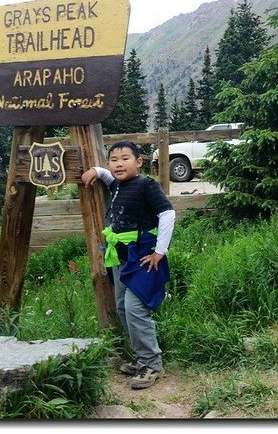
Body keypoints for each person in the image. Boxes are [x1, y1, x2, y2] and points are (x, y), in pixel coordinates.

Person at [81, 140, 175, 390]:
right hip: (121, 257)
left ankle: (153, 364)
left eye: (125, 158)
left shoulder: (146, 185)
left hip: (143, 255)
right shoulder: (118, 186)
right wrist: (96, 170)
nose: (119, 164)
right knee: (123, 307)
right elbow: (107, 176)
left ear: (139, 162)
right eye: (113, 159)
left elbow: (168, 214)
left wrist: (160, 252)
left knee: (135, 308)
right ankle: (141, 358)